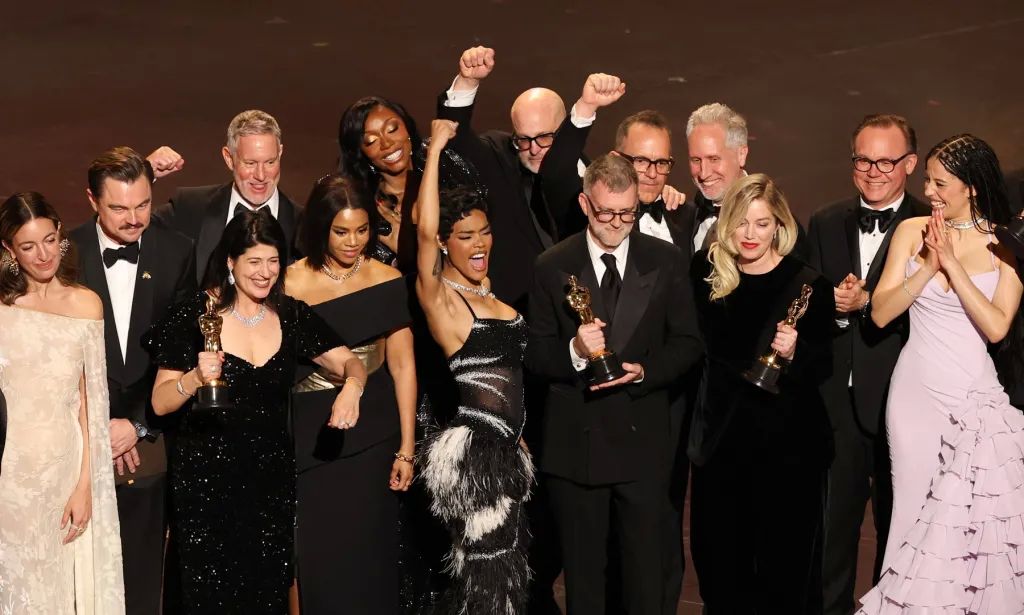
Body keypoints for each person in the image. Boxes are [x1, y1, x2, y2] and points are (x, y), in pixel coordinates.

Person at [146, 209, 367, 613]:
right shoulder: (195, 316)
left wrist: (352, 387)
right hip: (206, 488)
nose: (265, 273)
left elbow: (351, 362)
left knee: (265, 595)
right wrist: (194, 378)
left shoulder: (290, 314)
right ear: (230, 262)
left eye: (273, 261)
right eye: (254, 262)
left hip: (269, 487)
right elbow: (160, 403)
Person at [526, 154, 702, 614]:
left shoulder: (665, 260)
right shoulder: (552, 265)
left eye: (628, 213)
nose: (617, 224)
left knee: (644, 578)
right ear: (586, 204)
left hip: (642, 444)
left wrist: (645, 372)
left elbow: (688, 343)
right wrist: (575, 351)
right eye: (606, 213)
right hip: (576, 449)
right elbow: (535, 354)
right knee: (585, 583)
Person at [858, 135, 1024, 613]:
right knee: (912, 513)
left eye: (939, 182)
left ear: (971, 187)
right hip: (914, 398)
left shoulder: (1005, 244)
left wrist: (953, 263)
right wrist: (929, 265)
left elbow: (996, 327)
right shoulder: (912, 231)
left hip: (973, 400)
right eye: (928, 180)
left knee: (970, 524)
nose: (928, 190)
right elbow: (882, 313)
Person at [688, 174, 834, 613]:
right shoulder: (705, 273)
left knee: (783, 575)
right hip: (722, 446)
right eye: (741, 222)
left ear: (779, 226)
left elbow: (823, 366)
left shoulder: (809, 284)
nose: (750, 234)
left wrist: (796, 352)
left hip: (787, 452)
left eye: (762, 223)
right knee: (721, 573)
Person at [806, 114, 929, 615]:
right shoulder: (824, 221)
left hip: (909, 402)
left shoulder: (931, 224)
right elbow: (806, 308)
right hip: (838, 403)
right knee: (832, 535)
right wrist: (835, 311)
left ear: (910, 164)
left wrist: (869, 303)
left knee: (902, 532)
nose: (873, 172)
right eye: (863, 160)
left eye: (886, 162)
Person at [68, 146, 196, 615]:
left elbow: (181, 349)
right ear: (92, 200)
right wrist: (95, 427)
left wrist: (136, 424)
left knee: (141, 575)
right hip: (76, 439)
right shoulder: (64, 252)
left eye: (143, 204)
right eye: (119, 208)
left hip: (147, 439)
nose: (135, 218)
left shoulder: (177, 251)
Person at [415, 119, 534, 614]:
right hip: (476, 457)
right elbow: (424, 230)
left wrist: (518, 436)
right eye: (465, 236)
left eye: (484, 232)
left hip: (508, 450)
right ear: (446, 243)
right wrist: (436, 150)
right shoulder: (442, 298)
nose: (480, 244)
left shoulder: (488, 291)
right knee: (485, 573)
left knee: (505, 570)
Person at [285, 174, 417, 613]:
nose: (353, 242)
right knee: (319, 559)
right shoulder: (288, 283)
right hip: (310, 438)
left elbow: (402, 366)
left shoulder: (387, 279)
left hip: (374, 435)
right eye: (341, 232)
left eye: (362, 230)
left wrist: (407, 448)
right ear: (320, 227)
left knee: (370, 559)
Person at [0, 192, 125, 613]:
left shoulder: (86, 305)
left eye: (49, 240)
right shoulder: (2, 309)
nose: (43, 255)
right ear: (9, 249)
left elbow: (93, 404)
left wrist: (86, 486)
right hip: (8, 471)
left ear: (60, 234)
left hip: (63, 471)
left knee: (57, 588)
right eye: (28, 246)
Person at [437, 45, 600, 313]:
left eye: (545, 137)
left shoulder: (591, 172)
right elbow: (456, 142)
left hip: (584, 312)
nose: (534, 149)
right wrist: (467, 82)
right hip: (517, 311)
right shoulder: (500, 157)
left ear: (565, 131)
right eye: (524, 139)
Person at [157, 109, 300, 283]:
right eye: (250, 163)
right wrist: (146, 172)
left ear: (280, 153)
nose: (261, 175)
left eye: (270, 162)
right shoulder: (191, 207)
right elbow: (131, 224)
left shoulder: (304, 223)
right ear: (229, 158)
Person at [681, 102, 808, 259]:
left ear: (741, 155)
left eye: (714, 159)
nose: (704, 173)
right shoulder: (687, 215)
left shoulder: (780, 224)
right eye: (696, 160)